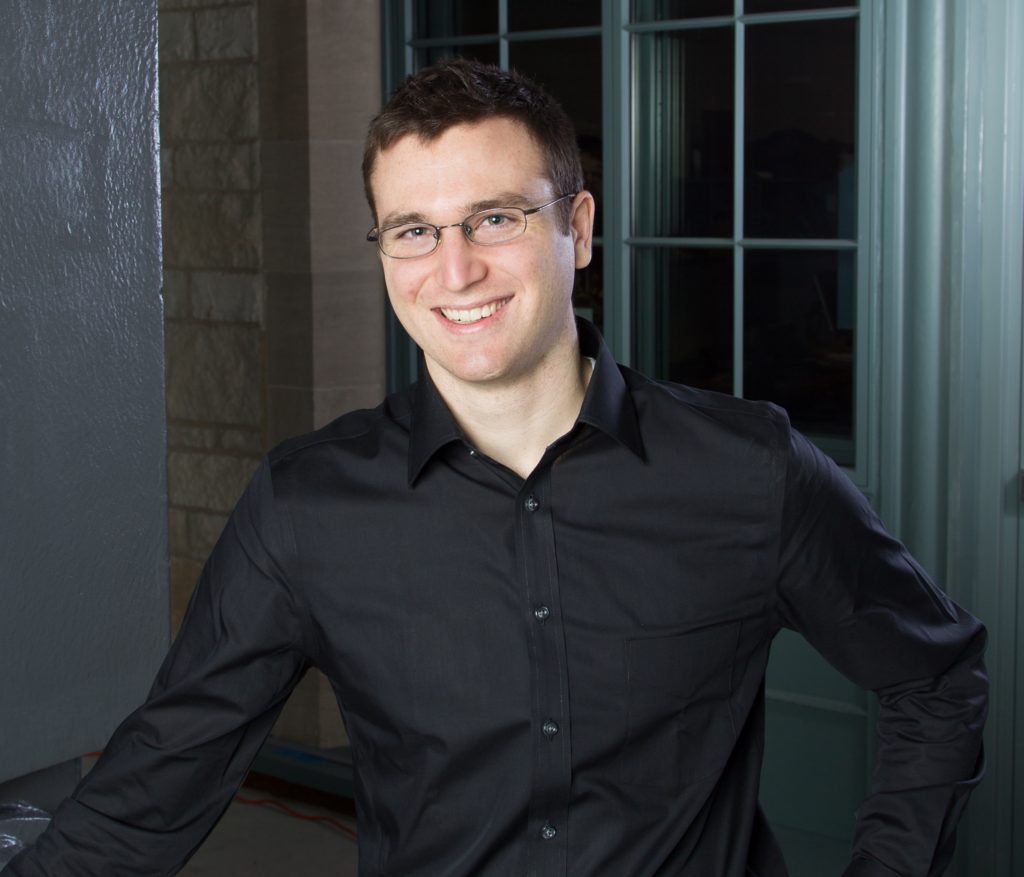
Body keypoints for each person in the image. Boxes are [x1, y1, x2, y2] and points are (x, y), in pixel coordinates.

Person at [8, 58, 987, 877]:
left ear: (579, 228)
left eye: (496, 218)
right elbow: (159, 779)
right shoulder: (307, 505)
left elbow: (934, 676)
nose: (455, 268)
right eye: (413, 231)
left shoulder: (749, 469)